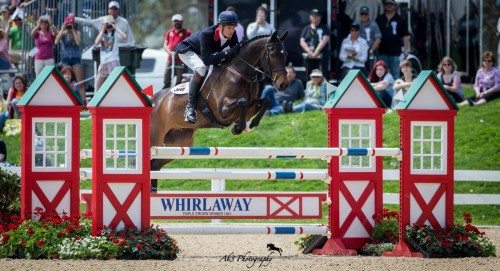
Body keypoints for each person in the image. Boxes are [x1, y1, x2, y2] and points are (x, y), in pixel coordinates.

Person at [174, 11, 241, 124]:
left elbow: (236, 52)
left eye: (233, 28)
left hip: (204, 53)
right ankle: (190, 108)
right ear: (220, 27)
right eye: (229, 28)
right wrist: (226, 54)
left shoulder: (232, 34)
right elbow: (207, 60)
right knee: (201, 68)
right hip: (187, 51)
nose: (232, 31)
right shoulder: (207, 34)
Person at [55, 15, 86, 106]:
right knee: (65, 81)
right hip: (66, 58)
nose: (69, 25)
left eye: (70, 23)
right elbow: (56, 42)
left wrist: (72, 30)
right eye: (68, 24)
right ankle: (65, 101)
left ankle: (84, 102)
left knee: (80, 82)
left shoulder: (77, 32)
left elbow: (78, 42)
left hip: (76, 58)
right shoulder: (63, 33)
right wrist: (62, 28)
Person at [376, 0, 410, 79]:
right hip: (382, 52)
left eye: (391, 4)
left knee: (395, 75)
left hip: (396, 53)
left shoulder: (400, 19)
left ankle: (395, 91)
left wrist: (406, 51)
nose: (389, 6)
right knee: (381, 75)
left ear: (395, 6)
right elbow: (375, 35)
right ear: (384, 6)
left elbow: (405, 36)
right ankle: (382, 91)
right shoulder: (379, 19)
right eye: (387, 4)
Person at [94, 15, 126, 91]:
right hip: (104, 61)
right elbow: (96, 42)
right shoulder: (102, 33)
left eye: (110, 24)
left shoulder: (116, 34)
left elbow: (124, 37)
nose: (109, 26)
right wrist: (102, 29)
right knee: (98, 85)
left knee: (116, 83)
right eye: (107, 24)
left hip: (113, 60)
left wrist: (116, 28)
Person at [300, 9, 331, 79]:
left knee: (322, 76)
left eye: (316, 16)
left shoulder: (324, 27)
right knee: (309, 76)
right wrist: (309, 52)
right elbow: (302, 41)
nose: (314, 17)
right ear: (310, 17)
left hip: (321, 57)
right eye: (313, 15)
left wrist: (316, 53)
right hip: (309, 56)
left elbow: (325, 40)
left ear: (320, 17)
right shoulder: (306, 28)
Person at [163, 13, 191, 89]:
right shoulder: (169, 32)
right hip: (170, 59)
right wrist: (168, 51)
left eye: (178, 21)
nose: (176, 23)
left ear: (181, 21)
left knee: (180, 80)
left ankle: (176, 96)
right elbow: (165, 44)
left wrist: (177, 52)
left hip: (181, 60)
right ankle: (165, 94)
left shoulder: (186, 32)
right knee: (167, 78)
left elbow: (187, 44)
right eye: (174, 21)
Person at [358, 6, 381, 71]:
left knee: (372, 69)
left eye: (366, 14)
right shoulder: (357, 25)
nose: (364, 15)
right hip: (360, 52)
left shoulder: (374, 24)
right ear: (359, 15)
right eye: (362, 14)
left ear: (369, 14)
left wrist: (371, 50)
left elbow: (378, 39)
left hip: (372, 52)